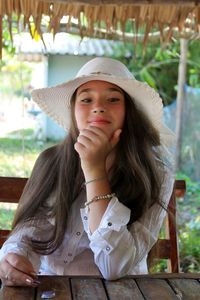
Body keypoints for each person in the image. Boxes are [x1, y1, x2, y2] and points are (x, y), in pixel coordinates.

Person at [0, 57, 175, 287]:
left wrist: (94, 170)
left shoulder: (156, 173)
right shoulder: (51, 161)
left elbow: (113, 267)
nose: (98, 107)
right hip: (52, 288)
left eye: (113, 99)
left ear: (129, 112)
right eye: (86, 99)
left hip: (123, 291)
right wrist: (14, 256)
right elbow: (29, 233)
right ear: (73, 111)